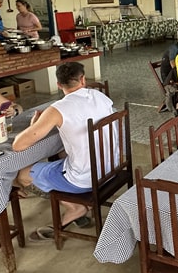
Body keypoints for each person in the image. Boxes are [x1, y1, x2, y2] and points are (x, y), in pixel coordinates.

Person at [12, 62, 115, 239]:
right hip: (110, 169)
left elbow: (18, 145)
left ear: (59, 85)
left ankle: (75, 207)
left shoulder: (57, 109)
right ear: (83, 79)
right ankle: (78, 203)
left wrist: (36, 125)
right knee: (60, 155)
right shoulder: (100, 96)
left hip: (84, 179)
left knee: (21, 174)